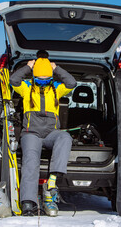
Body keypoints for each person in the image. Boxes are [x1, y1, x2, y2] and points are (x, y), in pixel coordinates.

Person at [9, 50, 77, 216]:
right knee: (30, 163)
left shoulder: (56, 89)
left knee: (65, 136)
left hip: (50, 134)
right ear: (34, 77)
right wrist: (28, 67)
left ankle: (53, 179)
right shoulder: (26, 88)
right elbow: (13, 80)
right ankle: (28, 202)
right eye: (39, 79)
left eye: (46, 80)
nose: (43, 83)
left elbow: (72, 83)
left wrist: (56, 68)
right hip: (31, 134)